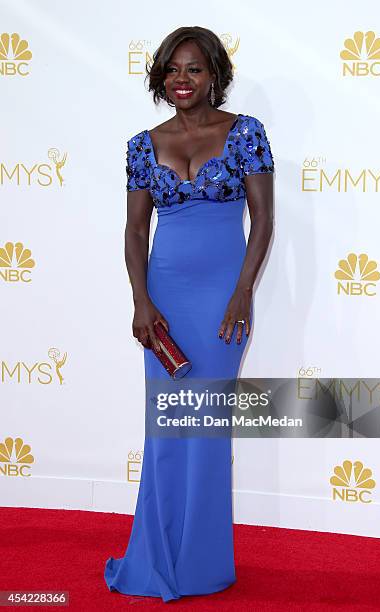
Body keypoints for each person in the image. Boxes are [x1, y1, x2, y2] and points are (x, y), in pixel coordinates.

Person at [104, 25, 274, 603]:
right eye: (173, 70)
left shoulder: (246, 134)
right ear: (160, 76)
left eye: (194, 69)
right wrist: (141, 300)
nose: (183, 80)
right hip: (166, 297)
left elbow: (263, 221)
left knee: (205, 427)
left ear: (214, 75)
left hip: (223, 299)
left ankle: (201, 562)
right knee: (168, 428)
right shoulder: (141, 144)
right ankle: (156, 551)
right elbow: (133, 231)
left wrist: (243, 292)